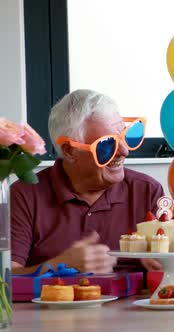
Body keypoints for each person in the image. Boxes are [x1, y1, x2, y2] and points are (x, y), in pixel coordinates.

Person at [11, 89, 164, 274]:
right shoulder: (24, 195)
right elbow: (6, 279)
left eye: (125, 137)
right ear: (69, 151)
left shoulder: (147, 191)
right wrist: (58, 266)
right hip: (54, 302)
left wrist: (164, 263)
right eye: (108, 144)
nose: (124, 151)